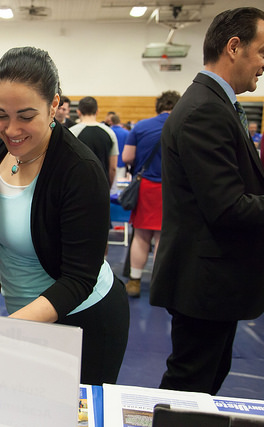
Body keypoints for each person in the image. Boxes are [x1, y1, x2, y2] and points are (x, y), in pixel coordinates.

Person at [0, 46, 129, 386]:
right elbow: (0, 233)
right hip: (24, 316)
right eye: (0, 114)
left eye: (26, 116)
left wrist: (7, 328)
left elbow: (79, 278)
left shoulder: (79, 170)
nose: (11, 128)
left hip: (82, 319)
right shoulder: (6, 148)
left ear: (53, 106)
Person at [150, 7, 264, 395]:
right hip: (206, 282)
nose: (263, 65)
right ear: (235, 47)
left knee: (205, 382)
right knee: (189, 387)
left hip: (215, 280)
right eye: (262, 52)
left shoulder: (217, 104)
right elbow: (228, 206)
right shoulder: (205, 110)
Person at [121, 90, 180, 297]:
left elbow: (127, 157)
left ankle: (135, 282)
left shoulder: (142, 126)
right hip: (172, 189)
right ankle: (159, 284)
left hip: (146, 185)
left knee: (141, 235)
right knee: (163, 238)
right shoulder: (184, 124)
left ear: (158, 107)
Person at [70, 97, 119, 188]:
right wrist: (108, 186)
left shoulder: (71, 133)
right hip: (102, 185)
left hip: (77, 186)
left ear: (78, 112)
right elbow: (113, 167)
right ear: (97, 111)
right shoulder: (109, 132)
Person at [110, 113, 130, 183]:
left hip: (110, 163)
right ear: (119, 121)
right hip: (122, 163)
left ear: (111, 122)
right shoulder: (127, 133)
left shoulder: (108, 132)